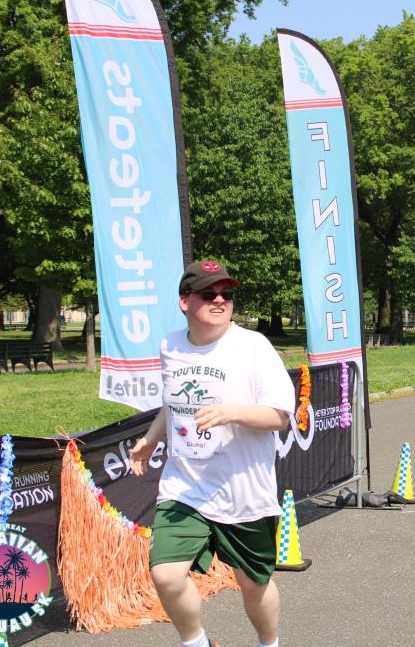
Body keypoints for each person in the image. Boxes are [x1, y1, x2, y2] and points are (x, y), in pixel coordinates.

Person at [129, 259, 295, 647]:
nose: (220, 300)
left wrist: (231, 412)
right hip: (185, 486)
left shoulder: (253, 346)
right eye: (208, 294)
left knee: (253, 584)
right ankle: (195, 642)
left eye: (227, 294)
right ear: (184, 301)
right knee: (166, 575)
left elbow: (280, 416)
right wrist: (151, 438)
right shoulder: (171, 346)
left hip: (243, 491)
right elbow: (173, 403)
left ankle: (269, 643)